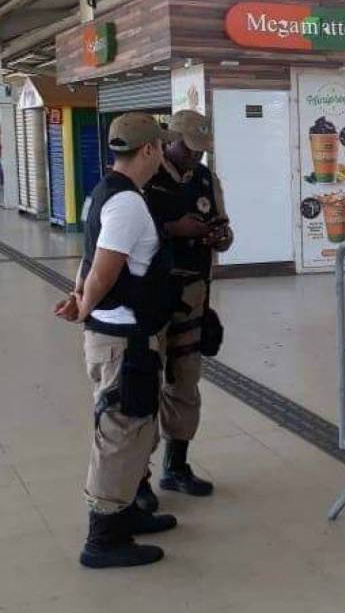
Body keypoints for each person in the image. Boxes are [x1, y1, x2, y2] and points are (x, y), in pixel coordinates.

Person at [54, 112, 182, 568]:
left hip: (120, 333)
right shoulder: (127, 203)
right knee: (121, 431)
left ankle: (125, 514)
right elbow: (105, 265)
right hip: (123, 338)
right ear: (148, 150)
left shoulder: (105, 192)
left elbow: (88, 260)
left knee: (134, 428)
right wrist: (84, 306)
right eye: (161, 148)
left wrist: (78, 298)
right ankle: (104, 538)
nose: (164, 154)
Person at [133, 110, 232, 511]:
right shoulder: (144, 180)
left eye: (201, 152)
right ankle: (136, 478)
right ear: (167, 142)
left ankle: (176, 465)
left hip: (193, 299)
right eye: (189, 150)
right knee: (142, 389)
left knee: (185, 383)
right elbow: (121, 237)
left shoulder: (208, 180)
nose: (196, 159)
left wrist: (219, 235)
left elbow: (224, 228)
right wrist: (174, 230)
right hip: (149, 301)